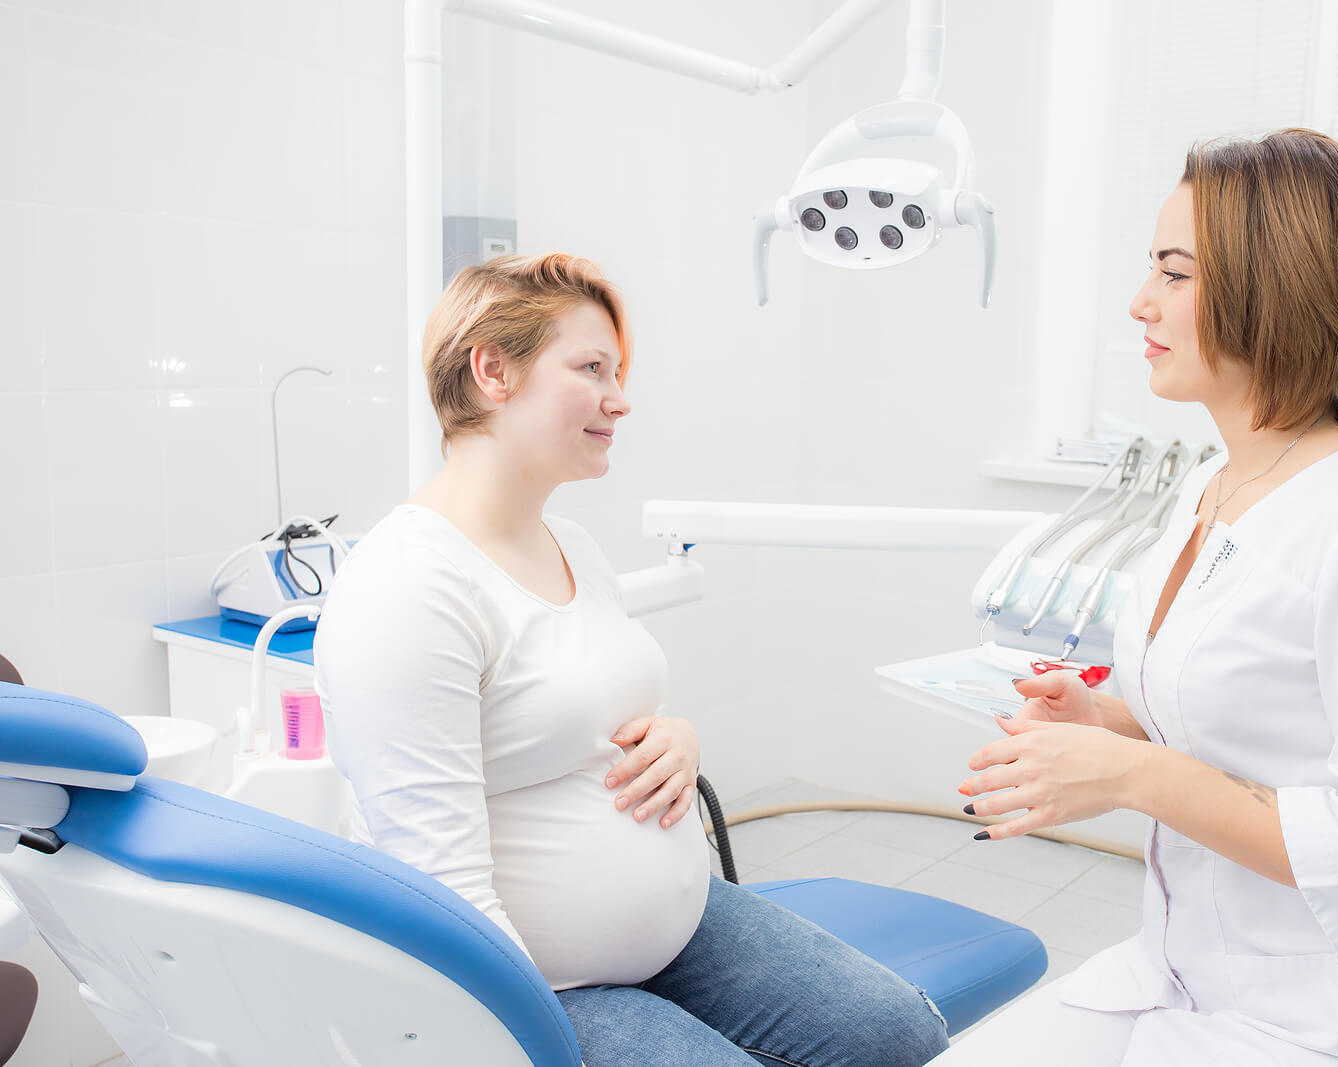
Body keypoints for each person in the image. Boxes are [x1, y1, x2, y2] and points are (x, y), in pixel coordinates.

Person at [931, 129, 1338, 1065]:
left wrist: (1133, 776)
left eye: (1174, 272)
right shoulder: (1214, 483)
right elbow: (1242, 718)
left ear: (1279, 286)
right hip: (1187, 971)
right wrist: (1106, 724)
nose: (1140, 301)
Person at [314, 253, 948, 1067]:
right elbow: (441, 896)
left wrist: (677, 738)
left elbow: (583, 712)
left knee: (905, 1036)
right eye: (591, 368)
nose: (620, 398)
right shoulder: (408, 588)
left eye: (617, 372)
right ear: (492, 371)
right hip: (533, 986)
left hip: (676, 929)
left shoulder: (570, 543)